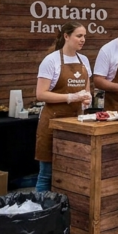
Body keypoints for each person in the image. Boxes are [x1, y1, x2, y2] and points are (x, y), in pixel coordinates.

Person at [34, 22, 91, 192]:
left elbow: (87, 90)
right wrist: (70, 97)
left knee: (71, 173)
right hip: (53, 123)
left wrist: (86, 99)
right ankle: (40, 214)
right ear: (66, 36)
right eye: (79, 36)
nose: (83, 40)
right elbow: (41, 94)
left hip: (76, 124)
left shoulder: (84, 60)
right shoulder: (51, 61)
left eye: (85, 36)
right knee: (47, 174)